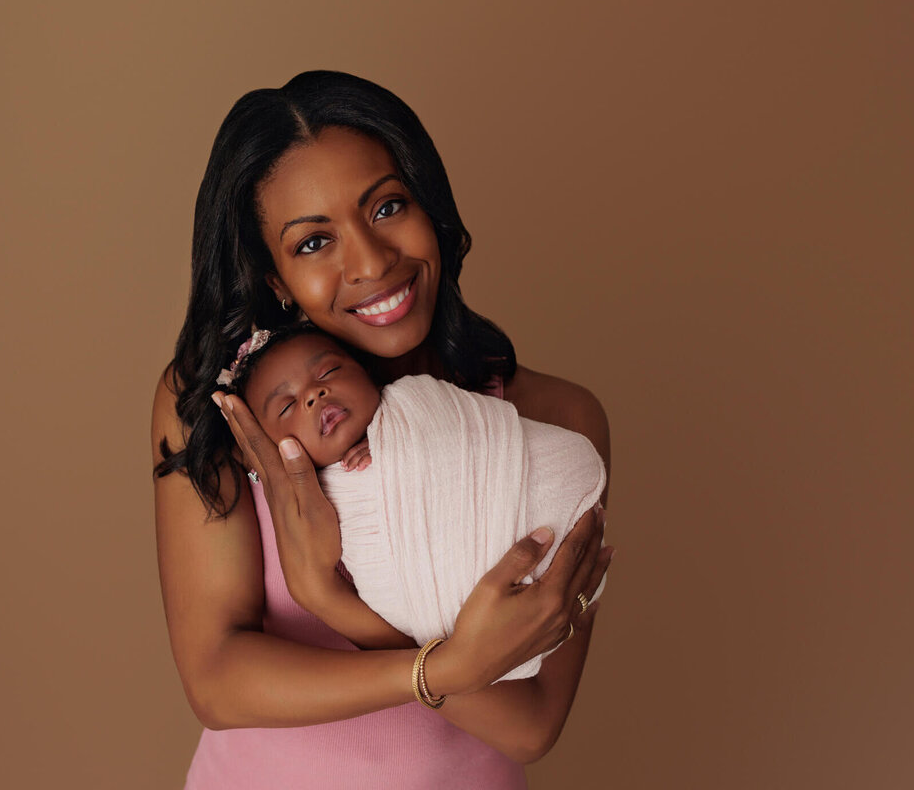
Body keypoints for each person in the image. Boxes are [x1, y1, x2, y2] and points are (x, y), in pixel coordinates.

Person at [151, 70, 614, 788]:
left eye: (388, 206)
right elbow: (216, 682)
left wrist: (337, 603)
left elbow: (530, 724)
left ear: (430, 205)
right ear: (273, 277)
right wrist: (444, 668)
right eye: (312, 244)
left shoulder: (552, 421)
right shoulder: (227, 408)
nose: (370, 261)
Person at [217, 322, 609, 684]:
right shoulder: (317, 499)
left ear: (367, 372)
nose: (314, 395)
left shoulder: (414, 401)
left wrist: (397, 437)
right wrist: (319, 591)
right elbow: (218, 686)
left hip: (555, 517)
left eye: (329, 373)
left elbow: (533, 731)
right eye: (287, 406)